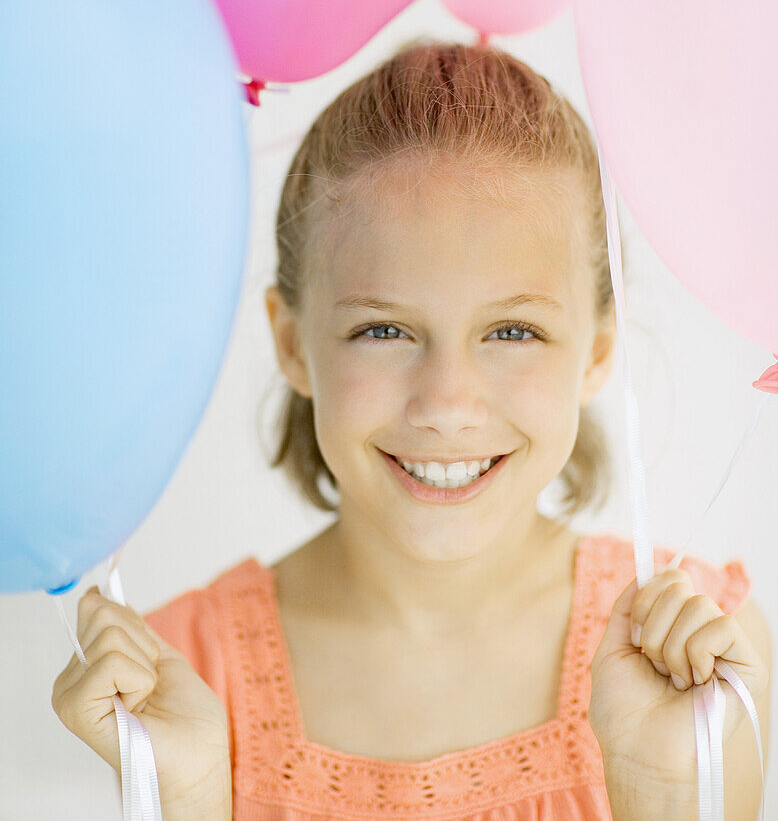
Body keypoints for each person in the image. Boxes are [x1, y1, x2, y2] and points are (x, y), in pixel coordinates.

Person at [52, 41, 771, 820]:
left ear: (597, 351)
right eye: (384, 332)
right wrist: (186, 799)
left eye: (513, 332)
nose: (447, 404)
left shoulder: (698, 658)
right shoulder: (182, 677)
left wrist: (664, 793)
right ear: (293, 344)